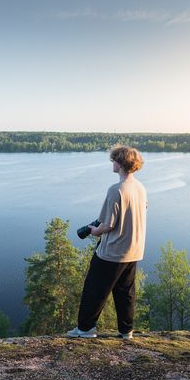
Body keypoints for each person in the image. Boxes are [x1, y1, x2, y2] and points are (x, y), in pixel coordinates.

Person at [67, 145, 147, 340]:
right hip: (133, 250)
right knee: (125, 292)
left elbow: (107, 225)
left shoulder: (116, 190)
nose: (112, 163)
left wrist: (94, 231)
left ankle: (86, 330)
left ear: (120, 163)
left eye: (113, 160)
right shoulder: (140, 187)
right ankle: (126, 331)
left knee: (94, 289)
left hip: (112, 251)